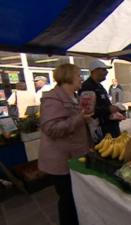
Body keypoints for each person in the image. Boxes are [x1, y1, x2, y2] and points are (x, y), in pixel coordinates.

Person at [38, 64, 92, 225]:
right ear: (68, 76)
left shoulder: (74, 96)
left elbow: (74, 121)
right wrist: (80, 118)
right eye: (78, 75)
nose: (81, 78)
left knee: (74, 198)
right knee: (67, 200)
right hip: (61, 161)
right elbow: (51, 129)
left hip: (74, 157)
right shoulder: (53, 97)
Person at [79, 60, 121, 138]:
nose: (107, 72)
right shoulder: (87, 87)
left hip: (109, 126)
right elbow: (87, 109)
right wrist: (108, 109)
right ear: (95, 71)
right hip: (100, 129)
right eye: (104, 70)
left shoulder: (99, 85)